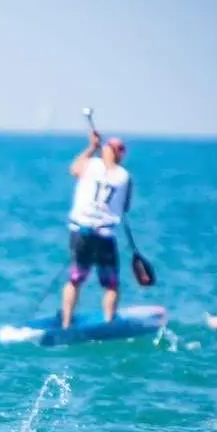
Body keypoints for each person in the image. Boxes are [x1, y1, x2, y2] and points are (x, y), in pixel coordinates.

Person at [61, 129, 131, 328]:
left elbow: (73, 169)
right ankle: (109, 322)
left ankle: (66, 323)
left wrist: (91, 147)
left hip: (81, 233)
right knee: (111, 284)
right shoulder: (124, 177)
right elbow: (125, 206)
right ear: (121, 155)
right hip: (105, 236)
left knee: (75, 279)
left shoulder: (91, 165)